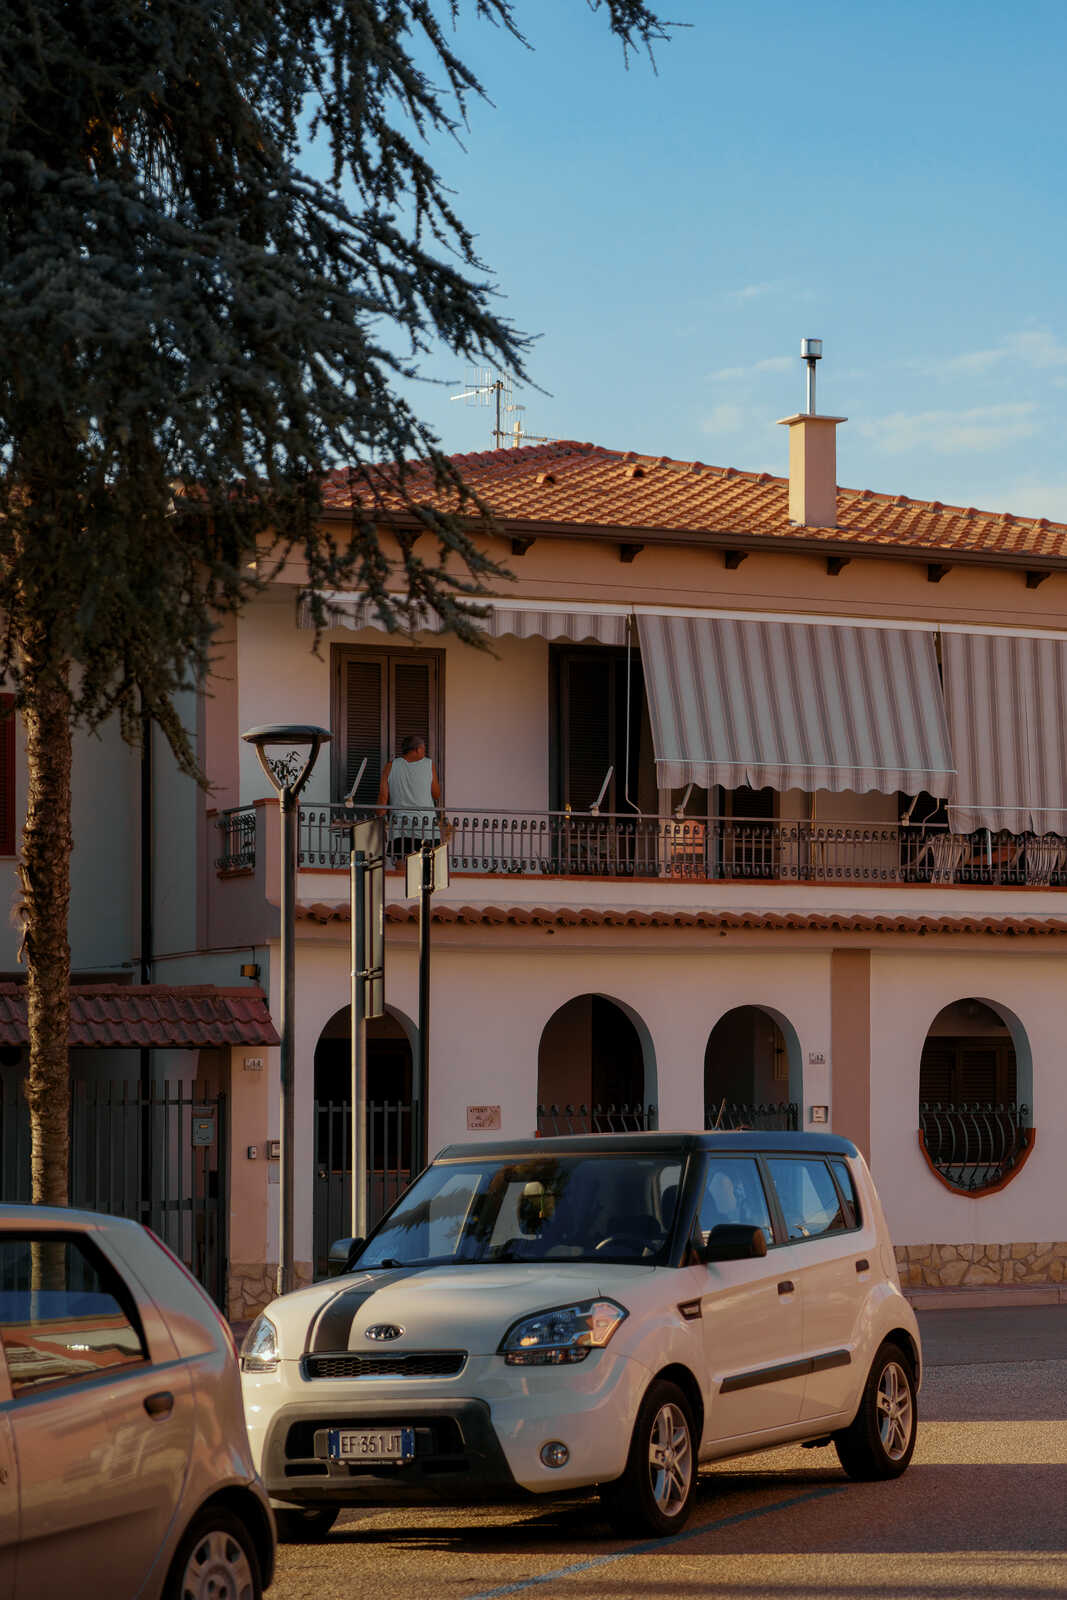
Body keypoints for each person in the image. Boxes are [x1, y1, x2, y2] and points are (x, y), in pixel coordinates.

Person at [377, 734, 442, 859]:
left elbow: (382, 799)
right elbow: (436, 794)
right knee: (429, 868)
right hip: (426, 826)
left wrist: (379, 824)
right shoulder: (429, 765)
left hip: (400, 827)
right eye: (424, 749)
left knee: (401, 867)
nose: (425, 752)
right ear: (418, 749)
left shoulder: (390, 766)